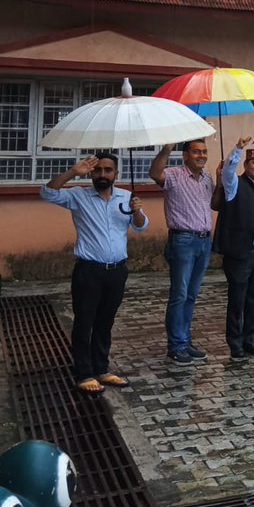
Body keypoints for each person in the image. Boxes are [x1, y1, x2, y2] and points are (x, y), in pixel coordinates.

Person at [41, 154, 148, 393]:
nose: (102, 174)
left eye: (108, 170)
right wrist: (72, 172)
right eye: (97, 170)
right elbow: (47, 193)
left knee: (105, 321)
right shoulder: (78, 196)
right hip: (89, 271)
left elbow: (140, 226)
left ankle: (102, 368)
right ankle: (83, 372)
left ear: (115, 174)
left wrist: (137, 211)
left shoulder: (127, 196)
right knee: (84, 321)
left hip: (117, 271)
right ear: (91, 173)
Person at [150, 139, 214, 365]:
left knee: (192, 295)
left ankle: (185, 340)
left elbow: (214, 203)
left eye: (204, 152)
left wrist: (224, 177)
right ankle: (176, 345)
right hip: (183, 240)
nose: (201, 156)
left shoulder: (207, 177)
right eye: (196, 152)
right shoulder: (175, 174)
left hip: (205, 241)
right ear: (185, 155)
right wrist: (166, 149)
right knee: (179, 294)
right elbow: (155, 174)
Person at [213, 138, 254, 360]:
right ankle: (235, 342)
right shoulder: (234, 185)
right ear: (246, 165)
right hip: (241, 253)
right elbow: (228, 170)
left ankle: (250, 339)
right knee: (237, 298)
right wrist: (237, 148)